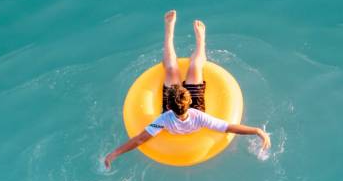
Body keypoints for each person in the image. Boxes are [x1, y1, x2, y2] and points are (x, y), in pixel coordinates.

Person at [104, 10, 271, 169]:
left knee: (171, 69)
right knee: (195, 67)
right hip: (194, 108)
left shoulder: (164, 119)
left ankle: (169, 30)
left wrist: (115, 153)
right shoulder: (199, 116)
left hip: (179, 108)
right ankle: (200, 40)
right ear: (189, 99)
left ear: (168, 103)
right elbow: (228, 127)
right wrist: (256, 130)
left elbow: (140, 139)